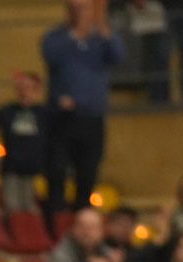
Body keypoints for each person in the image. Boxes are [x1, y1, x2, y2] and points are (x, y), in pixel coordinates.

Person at [41, 0, 122, 214]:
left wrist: (104, 30)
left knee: (87, 176)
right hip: (62, 119)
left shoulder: (100, 40)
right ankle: (55, 220)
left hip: (91, 119)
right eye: (74, 8)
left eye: (83, 8)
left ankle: (82, 221)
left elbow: (118, 56)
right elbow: (51, 55)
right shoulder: (56, 38)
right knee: (56, 173)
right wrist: (75, 34)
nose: (79, 13)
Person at [0, 70, 50, 214]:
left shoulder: (43, 113)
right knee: (11, 206)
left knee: (29, 205)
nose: (24, 92)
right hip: (11, 164)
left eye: (29, 88)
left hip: (33, 166)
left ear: (36, 90)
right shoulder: (9, 110)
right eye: (21, 88)